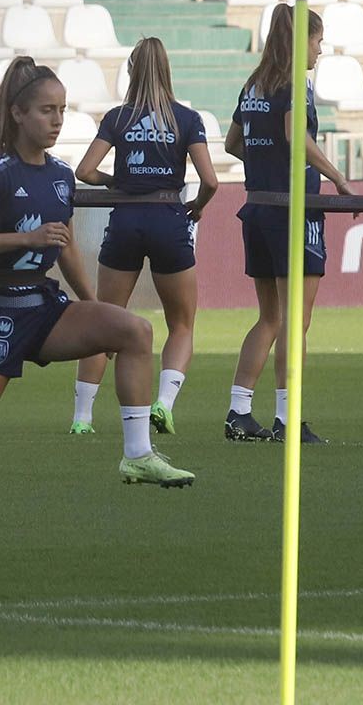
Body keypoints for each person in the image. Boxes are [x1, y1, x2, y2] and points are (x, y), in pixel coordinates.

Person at [0, 57, 195, 587]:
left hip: (42, 308)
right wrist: (27, 239)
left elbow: (62, 247)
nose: (57, 119)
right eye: (46, 110)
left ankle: (137, 454)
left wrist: (95, 309)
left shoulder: (63, 175)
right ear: (18, 114)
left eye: (62, 110)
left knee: (132, 331)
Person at [68, 38, 219, 436]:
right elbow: (210, 180)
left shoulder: (118, 118)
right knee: (182, 324)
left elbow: (84, 170)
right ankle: (164, 404)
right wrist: (198, 205)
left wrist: (119, 183)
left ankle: (82, 418)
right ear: (168, 70)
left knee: (104, 320)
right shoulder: (187, 119)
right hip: (169, 220)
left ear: (131, 71)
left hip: (126, 220)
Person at [222, 5, 354, 444]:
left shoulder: (253, 83)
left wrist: (265, 165)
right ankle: (287, 420)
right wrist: (337, 177)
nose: (321, 48)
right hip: (293, 211)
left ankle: (239, 411)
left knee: (271, 317)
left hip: (257, 207)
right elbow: (297, 137)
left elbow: (233, 142)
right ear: (302, 41)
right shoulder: (296, 84)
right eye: (318, 40)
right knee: (296, 320)